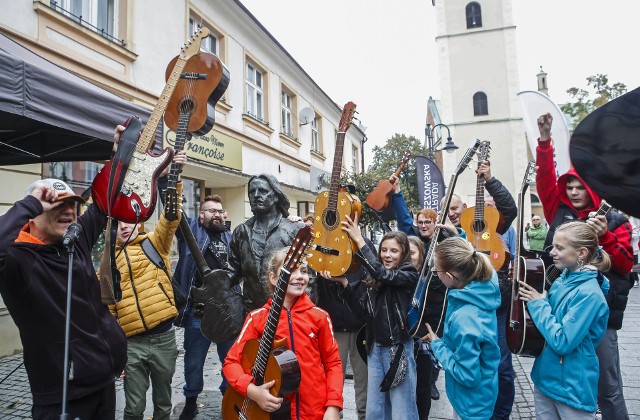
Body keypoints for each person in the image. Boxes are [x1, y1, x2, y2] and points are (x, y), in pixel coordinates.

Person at [0, 178, 127, 419]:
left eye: (73, 204)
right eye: (57, 204)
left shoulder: (74, 242)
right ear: (34, 213)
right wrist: (29, 204)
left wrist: (121, 147)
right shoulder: (17, 260)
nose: (69, 210)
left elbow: (105, 198)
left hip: (103, 384)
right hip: (64, 398)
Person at [537, 113, 634, 419]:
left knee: (607, 386)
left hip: (600, 314)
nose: (573, 192)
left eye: (579, 187)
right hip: (562, 305)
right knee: (562, 375)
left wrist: (605, 235)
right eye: (570, 187)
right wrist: (544, 142)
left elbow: (623, 266)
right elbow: (544, 181)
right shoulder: (559, 210)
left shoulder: (615, 220)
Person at [222, 247, 343, 419]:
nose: (300, 276)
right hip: (271, 411)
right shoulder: (257, 318)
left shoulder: (320, 317)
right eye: (291, 270)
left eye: (304, 271)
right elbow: (231, 362)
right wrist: (252, 391)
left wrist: (333, 405)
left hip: (313, 410)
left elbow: (333, 364)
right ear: (273, 277)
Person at [109, 152, 184, 419]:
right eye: (118, 222)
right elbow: (108, 308)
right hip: (132, 343)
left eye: (128, 220)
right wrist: (116, 350)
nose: (124, 227)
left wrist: (174, 179)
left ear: (137, 220)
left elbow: (172, 217)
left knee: (164, 403)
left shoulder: (154, 243)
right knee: (134, 408)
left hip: (164, 337)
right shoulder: (107, 260)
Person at [322, 222, 419, 419]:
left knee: (402, 411)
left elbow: (383, 273)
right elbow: (362, 313)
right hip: (375, 349)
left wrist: (359, 240)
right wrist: (344, 284)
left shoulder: (408, 274)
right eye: (383, 250)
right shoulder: (376, 278)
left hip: (397, 349)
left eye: (394, 251)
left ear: (404, 254)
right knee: (375, 411)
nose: (387, 255)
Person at [518, 221, 610, 418]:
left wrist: (538, 304)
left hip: (572, 385)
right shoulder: (562, 279)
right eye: (553, 246)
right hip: (546, 376)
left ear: (581, 253)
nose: (552, 252)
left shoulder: (589, 294)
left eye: (560, 248)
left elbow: (562, 341)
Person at [169, 191, 235, 419]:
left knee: (230, 361)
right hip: (198, 313)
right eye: (211, 211)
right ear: (201, 215)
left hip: (227, 312)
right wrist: (169, 181)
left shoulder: (231, 238)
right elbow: (173, 213)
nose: (217, 215)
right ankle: (191, 401)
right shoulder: (191, 233)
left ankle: (229, 398)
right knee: (194, 362)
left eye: (219, 211)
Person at [421, 237, 501, 420]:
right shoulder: (482, 286)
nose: (435, 273)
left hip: (471, 405)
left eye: (436, 270)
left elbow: (467, 375)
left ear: (449, 277)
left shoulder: (465, 318)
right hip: (483, 392)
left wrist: (437, 344)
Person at [226, 174, 304, 315]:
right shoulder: (240, 232)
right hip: (253, 314)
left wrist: (304, 316)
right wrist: (213, 291)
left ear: (275, 196)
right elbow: (232, 272)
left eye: (263, 191)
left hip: (287, 314)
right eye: (251, 192)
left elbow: (309, 276)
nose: (256, 195)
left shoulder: (294, 229)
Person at [477, 163, 518, 420]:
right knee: (477, 366)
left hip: (498, 302)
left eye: (494, 207)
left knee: (502, 366)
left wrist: (490, 179)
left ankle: (501, 415)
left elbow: (510, 209)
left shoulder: (499, 228)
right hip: (471, 302)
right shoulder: (465, 231)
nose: (491, 209)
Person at [316, 239, 372, 420]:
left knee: (363, 379)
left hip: (360, 326)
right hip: (334, 324)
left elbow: (372, 275)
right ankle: (334, 414)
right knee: (333, 378)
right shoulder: (322, 240)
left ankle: (364, 415)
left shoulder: (362, 243)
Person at [407, 236, 432, 420]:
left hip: (422, 341)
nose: (408, 256)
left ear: (421, 256)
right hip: (403, 341)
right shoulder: (395, 276)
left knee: (423, 387)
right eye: (405, 251)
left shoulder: (429, 279)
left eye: (413, 253)